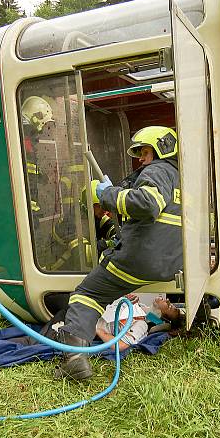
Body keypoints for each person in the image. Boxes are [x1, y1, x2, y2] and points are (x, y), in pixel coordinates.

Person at [54, 126, 182, 381]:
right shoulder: (180, 179)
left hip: (140, 258)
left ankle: (74, 360)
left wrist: (109, 194)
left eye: (145, 153)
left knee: (86, 294)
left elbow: (147, 204)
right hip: (170, 262)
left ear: (161, 148)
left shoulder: (157, 170)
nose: (142, 160)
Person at [95, 296, 182, 352]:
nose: (167, 300)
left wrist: (99, 331)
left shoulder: (141, 325)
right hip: (91, 310)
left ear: (163, 317)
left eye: (169, 307)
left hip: (88, 324)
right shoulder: (138, 306)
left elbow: (121, 346)